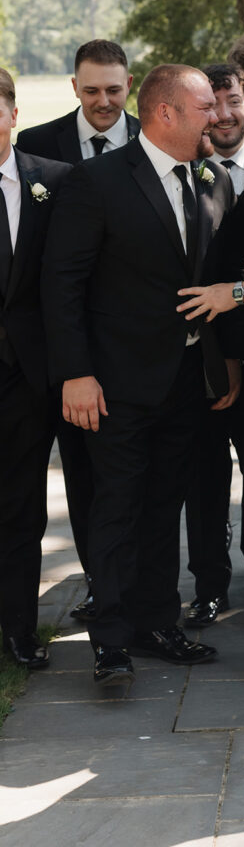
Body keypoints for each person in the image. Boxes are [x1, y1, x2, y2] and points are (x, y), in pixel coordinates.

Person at [42, 65, 241, 686]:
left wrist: (224, 364)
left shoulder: (213, 181)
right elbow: (61, 285)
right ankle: (111, 640)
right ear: (166, 114)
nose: (220, 116)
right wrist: (76, 374)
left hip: (186, 378)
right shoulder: (97, 181)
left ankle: (157, 623)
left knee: (165, 506)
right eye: (206, 106)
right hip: (114, 383)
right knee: (117, 509)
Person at [16, 39, 140, 624]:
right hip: (61, 341)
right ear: (73, 88)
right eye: (91, 90)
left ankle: (138, 586)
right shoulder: (37, 147)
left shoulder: (152, 137)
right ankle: (99, 583)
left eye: (113, 89)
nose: (103, 101)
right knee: (83, 476)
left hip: (134, 339)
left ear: (129, 85)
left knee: (136, 478)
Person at [182, 64, 244, 628]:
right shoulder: (189, 174)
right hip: (204, 354)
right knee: (205, 475)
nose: (221, 114)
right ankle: (209, 583)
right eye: (211, 104)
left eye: (232, 101)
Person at [0, 68, 71, 669]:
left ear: (12, 115)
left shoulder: (51, 183)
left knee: (23, 508)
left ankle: (20, 630)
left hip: (27, 378)